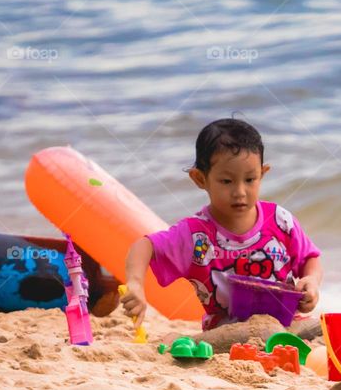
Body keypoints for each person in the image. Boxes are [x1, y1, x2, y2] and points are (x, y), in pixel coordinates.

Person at [121, 118, 322, 331]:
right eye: (226, 181)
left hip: (288, 325)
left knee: (320, 329)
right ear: (200, 179)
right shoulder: (195, 234)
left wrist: (312, 281)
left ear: (263, 174)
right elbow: (144, 246)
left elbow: (310, 258)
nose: (240, 192)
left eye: (250, 179)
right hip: (229, 332)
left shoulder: (281, 221)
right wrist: (135, 284)